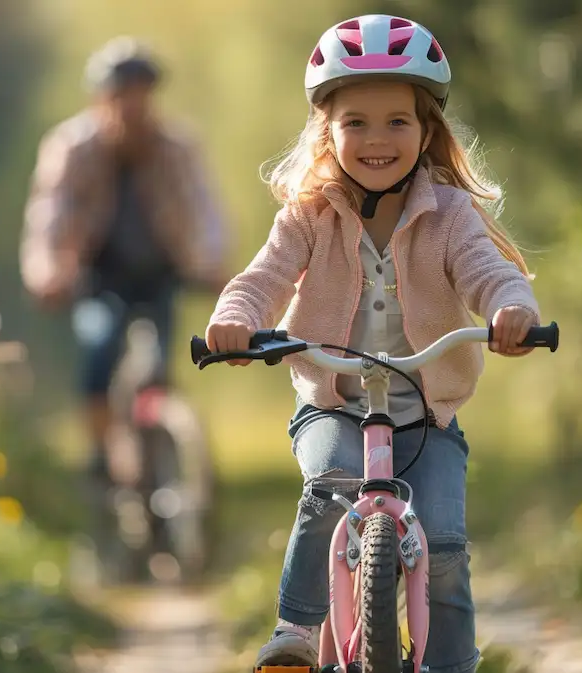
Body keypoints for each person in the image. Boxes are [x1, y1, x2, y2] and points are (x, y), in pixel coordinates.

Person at [204, 15, 542, 671]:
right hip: (333, 400)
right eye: (355, 121)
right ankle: (297, 633)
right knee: (331, 482)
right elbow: (264, 277)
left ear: (426, 132)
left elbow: (490, 273)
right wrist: (236, 319)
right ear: (326, 132)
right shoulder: (310, 213)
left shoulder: (450, 215)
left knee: (442, 543)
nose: (377, 139)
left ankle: (451, 663)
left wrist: (511, 310)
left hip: (426, 412)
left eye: (397, 121)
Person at [20, 37, 229, 562]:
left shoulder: (175, 147)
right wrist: (46, 271)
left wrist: (211, 262)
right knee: (98, 353)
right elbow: (49, 215)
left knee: (161, 368)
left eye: (141, 94)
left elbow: (203, 208)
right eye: (121, 94)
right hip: (97, 276)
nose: (132, 105)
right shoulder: (72, 147)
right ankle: (100, 455)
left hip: (160, 275)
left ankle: (164, 461)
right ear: (101, 98)